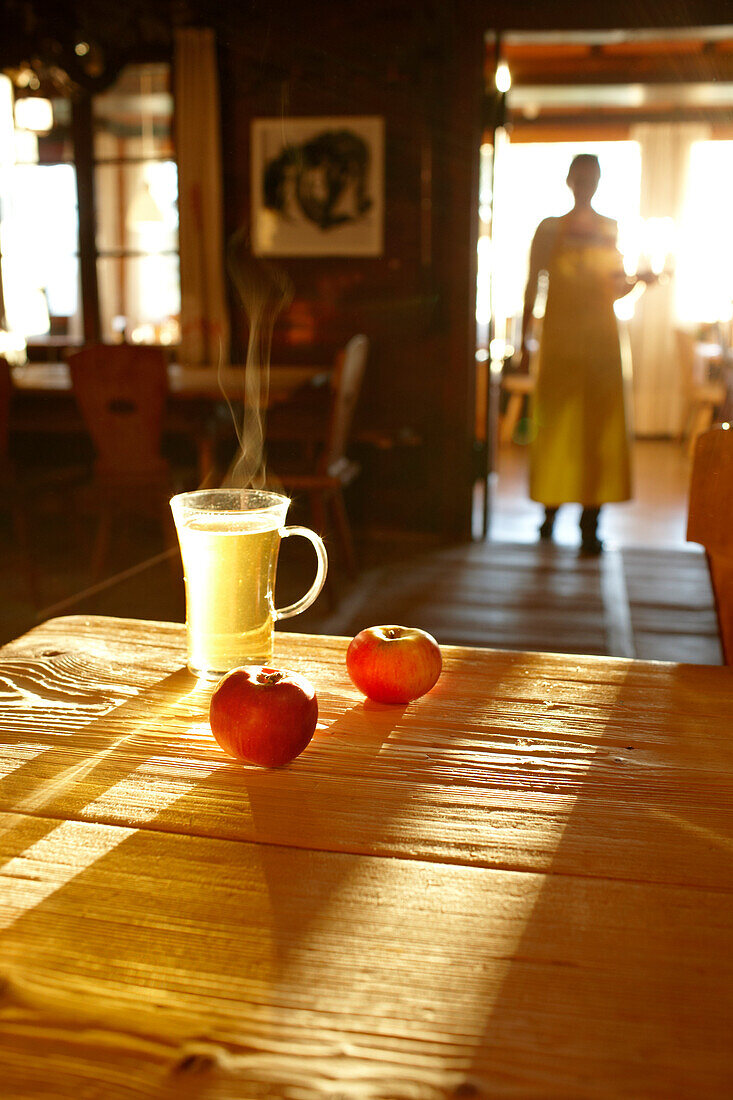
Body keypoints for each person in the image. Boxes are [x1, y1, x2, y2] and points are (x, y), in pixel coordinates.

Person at [519, 153, 653, 554]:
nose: (585, 184)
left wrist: (642, 281)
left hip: (602, 344)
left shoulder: (611, 229)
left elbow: (617, 286)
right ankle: (549, 513)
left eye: (591, 177)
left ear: (597, 182)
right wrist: (525, 343)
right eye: (579, 177)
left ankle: (591, 521)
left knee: (598, 429)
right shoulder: (547, 230)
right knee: (556, 426)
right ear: (569, 180)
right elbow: (532, 287)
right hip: (559, 341)